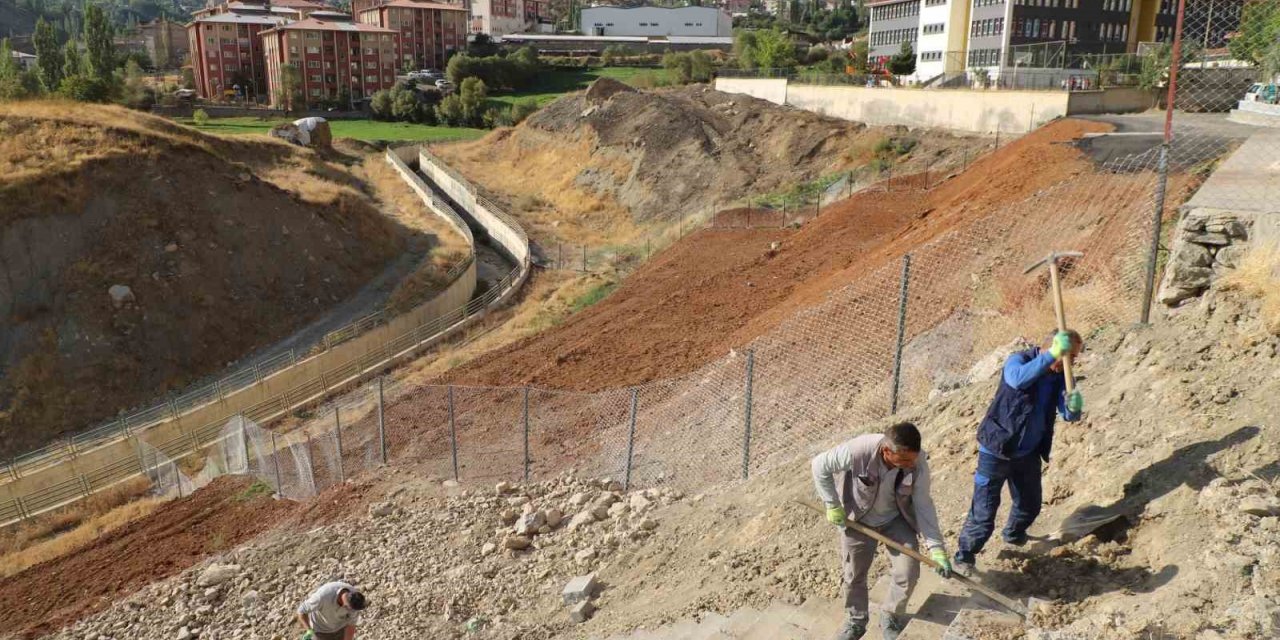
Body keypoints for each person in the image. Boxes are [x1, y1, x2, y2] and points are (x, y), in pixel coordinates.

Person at [952, 330, 1084, 576]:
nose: (1070, 363)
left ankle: (1013, 534)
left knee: (1030, 504)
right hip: (996, 448)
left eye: (1073, 359)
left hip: (1028, 453)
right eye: (1067, 357)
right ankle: (964, 557)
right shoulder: (1019, 360)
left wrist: (1073, 408)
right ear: (1050, 348)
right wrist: (1053, 355)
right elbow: (1017, 380)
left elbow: (1067, 414)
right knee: (983, 513)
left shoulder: (1062, 376)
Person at [811, 422, 952, 640]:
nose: (910, 464)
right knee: (854, 576)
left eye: (912, 459)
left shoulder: (917, 461)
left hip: (896, 518)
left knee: (908, 572)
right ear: (886, 451)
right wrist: (832, 504)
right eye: (904, 460)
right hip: (858, 519)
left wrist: (937, 550)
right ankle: (856, 621)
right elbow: (819, 465)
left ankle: (891, 613)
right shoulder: (859, 450)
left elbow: (923, 503)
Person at [296, 581, 366, 640]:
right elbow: (301, 611)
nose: (352, 612)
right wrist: (309, 630)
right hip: (320, 631)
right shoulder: (322, 597)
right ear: (346, 604)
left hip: (340, 629)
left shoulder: (356, 601)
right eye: (350, 609)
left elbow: (351, 626)